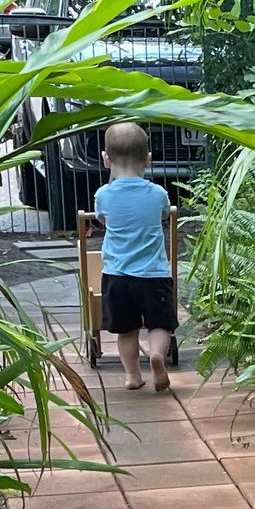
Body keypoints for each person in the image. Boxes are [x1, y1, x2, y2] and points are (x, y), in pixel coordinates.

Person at [93, 122, 175, 394]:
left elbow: (102, 220)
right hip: (153, 275)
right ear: (147, 159)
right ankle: (156, 356)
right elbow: (165, 214)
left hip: (117, 276)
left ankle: (132, 375)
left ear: (106, 159)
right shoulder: (157, 194)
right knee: (160, 323)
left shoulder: (103, 196)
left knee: (126, 331)